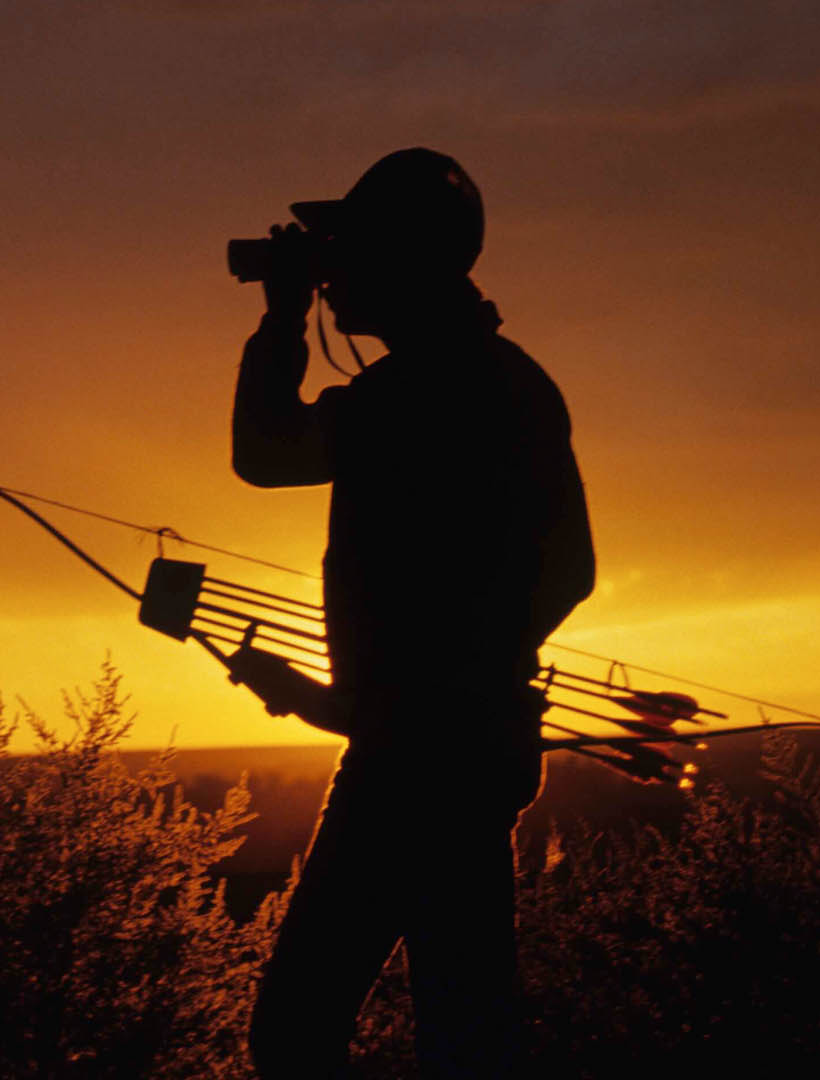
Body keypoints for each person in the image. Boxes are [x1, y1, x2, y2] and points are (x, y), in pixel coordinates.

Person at [229, 148, 595, 1078]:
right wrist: (469, 679)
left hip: (412, 766)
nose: (332, 273)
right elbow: (571, 571)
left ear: (399, 262)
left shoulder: (409, 395)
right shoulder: (511, 382)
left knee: (297, 1033)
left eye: (346, 251)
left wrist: (281, 320)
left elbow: (265, 451)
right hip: (469, 754)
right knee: (465, 1034)